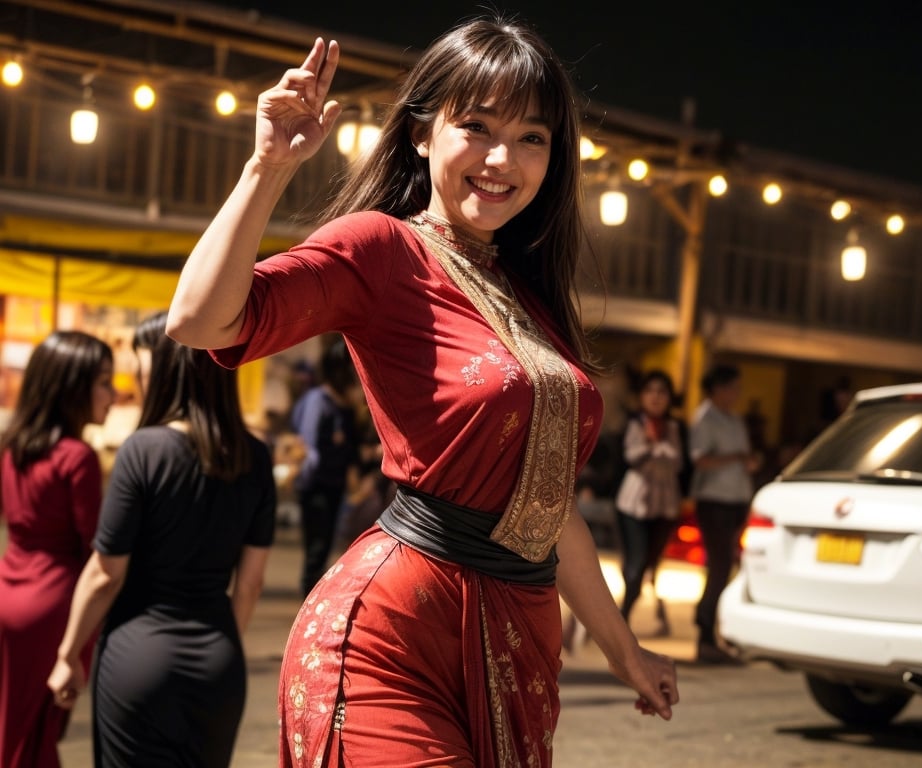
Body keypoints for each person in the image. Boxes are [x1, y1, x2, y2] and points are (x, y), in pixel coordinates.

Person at [164, 16, 679, 768]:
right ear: (421, 133)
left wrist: (624, 651)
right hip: (388, 640)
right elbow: (201, 320)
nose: (503, 159)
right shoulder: (380, 247)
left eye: (533, 137)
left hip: (514, 643)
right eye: (476, 126)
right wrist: (267, 167)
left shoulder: (529, 296)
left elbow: (547, 508)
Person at [47, 311, 276, 767]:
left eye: (143, 367)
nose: (137, 378)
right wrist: (220, 641)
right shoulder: (255, 457)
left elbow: (104, 575)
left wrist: (68, 653)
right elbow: (250, 584)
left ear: (169, 367)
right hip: (219, 664)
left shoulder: (143, 450)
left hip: (138, 660)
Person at [0, 331, 114, 768]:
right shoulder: (76, 456)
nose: (112, 392)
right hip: (54, 606)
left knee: (15, 727)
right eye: (103, 381)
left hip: (12, 593)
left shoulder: (14, 447)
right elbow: (96, 551)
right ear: (73, 387)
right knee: (39, 737)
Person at [689, 363, 759, 665]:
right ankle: (704, 632)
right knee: (718, 566)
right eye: (733, 387)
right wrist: (736, 458)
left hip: (735, 498)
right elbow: (701, 460)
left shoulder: (734, 419)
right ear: (718, 388)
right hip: (713, 499)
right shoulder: (706, 418)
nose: (737, 394)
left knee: (726, 567)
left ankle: (715, 631)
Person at [614, 369, 686, 636]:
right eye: (651, 391)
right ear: (642, 396)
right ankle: (621, 619)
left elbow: (678, 462)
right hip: (633, 504)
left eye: (662, 392)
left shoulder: (676, 427)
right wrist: (655, 448)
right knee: (636, 560)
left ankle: (624, 613)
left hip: (665, 505)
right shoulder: (634, 423)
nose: (656, 397)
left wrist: (654, 447)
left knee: (648, 563)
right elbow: (631, 457)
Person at [291, 335, 363, 595]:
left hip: (333, 486)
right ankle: (308, 597)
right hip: (316, 487)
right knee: (317, 548)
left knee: (324, 546)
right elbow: (311, 450)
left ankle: (311, 593)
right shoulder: (319, 401)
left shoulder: (343, 407)